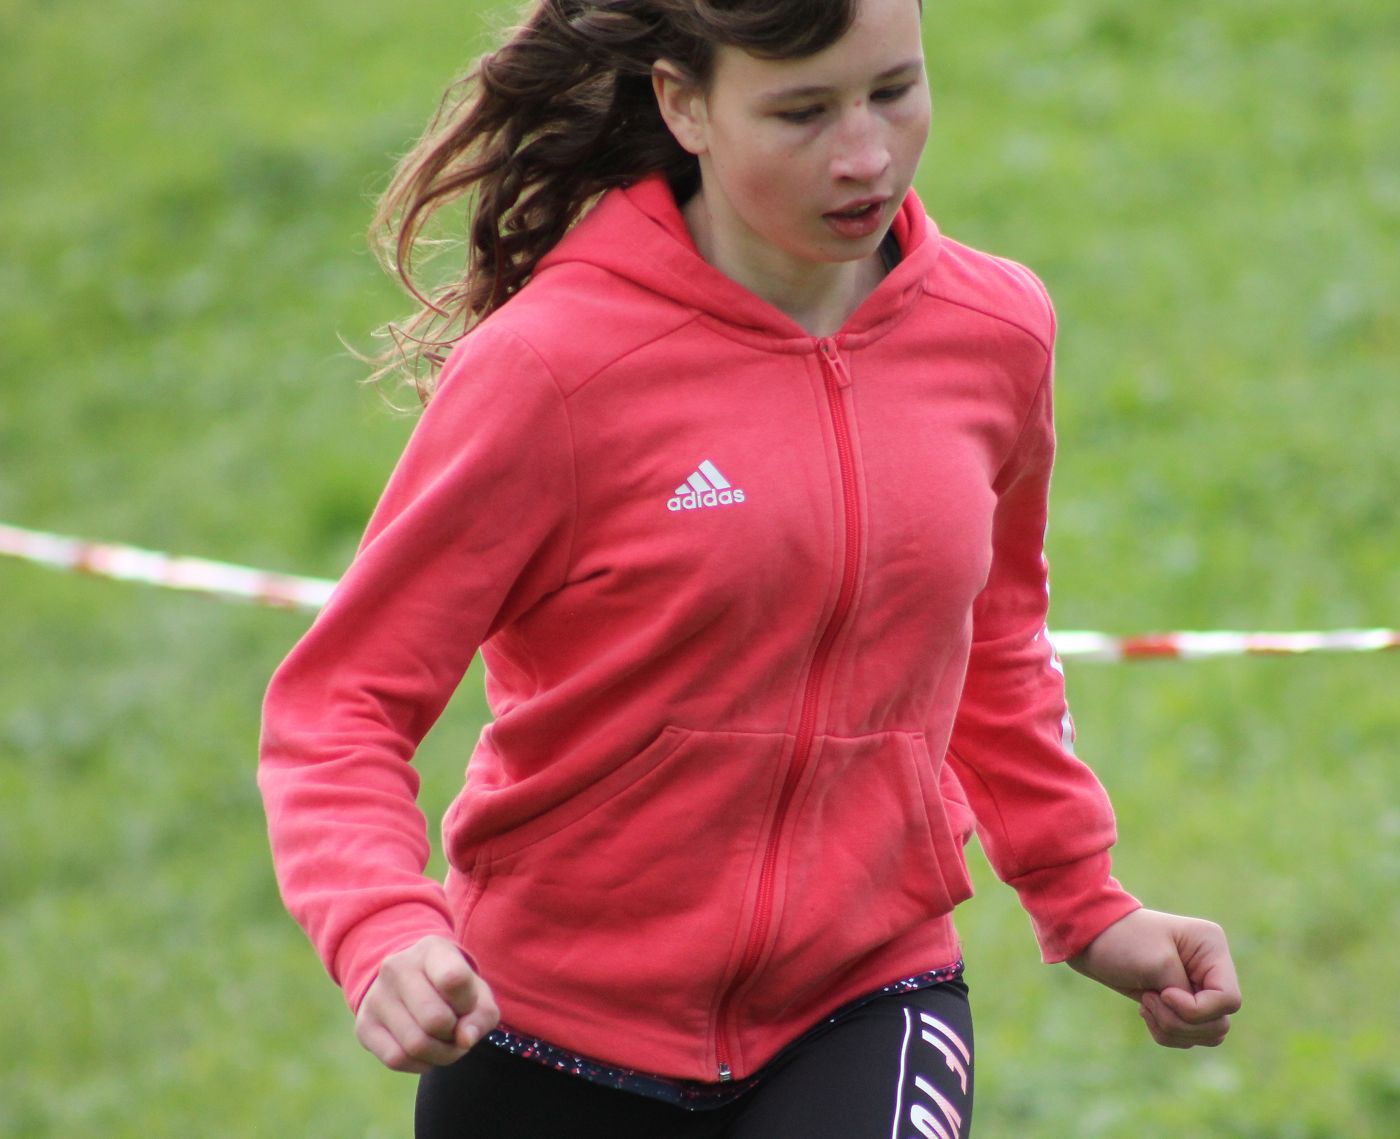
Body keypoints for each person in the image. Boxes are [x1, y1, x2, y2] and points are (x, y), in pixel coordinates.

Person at [257, 0, 1242, 1135]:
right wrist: (380, 923)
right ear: (684, 105)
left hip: (865, 994)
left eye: (892, 91)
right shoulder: (551, 369)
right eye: (801, 112)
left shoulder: (995, 332)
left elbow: (993, 644)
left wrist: (1084, 897)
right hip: (544, 1025)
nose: (864, 154)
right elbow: (342, 699)